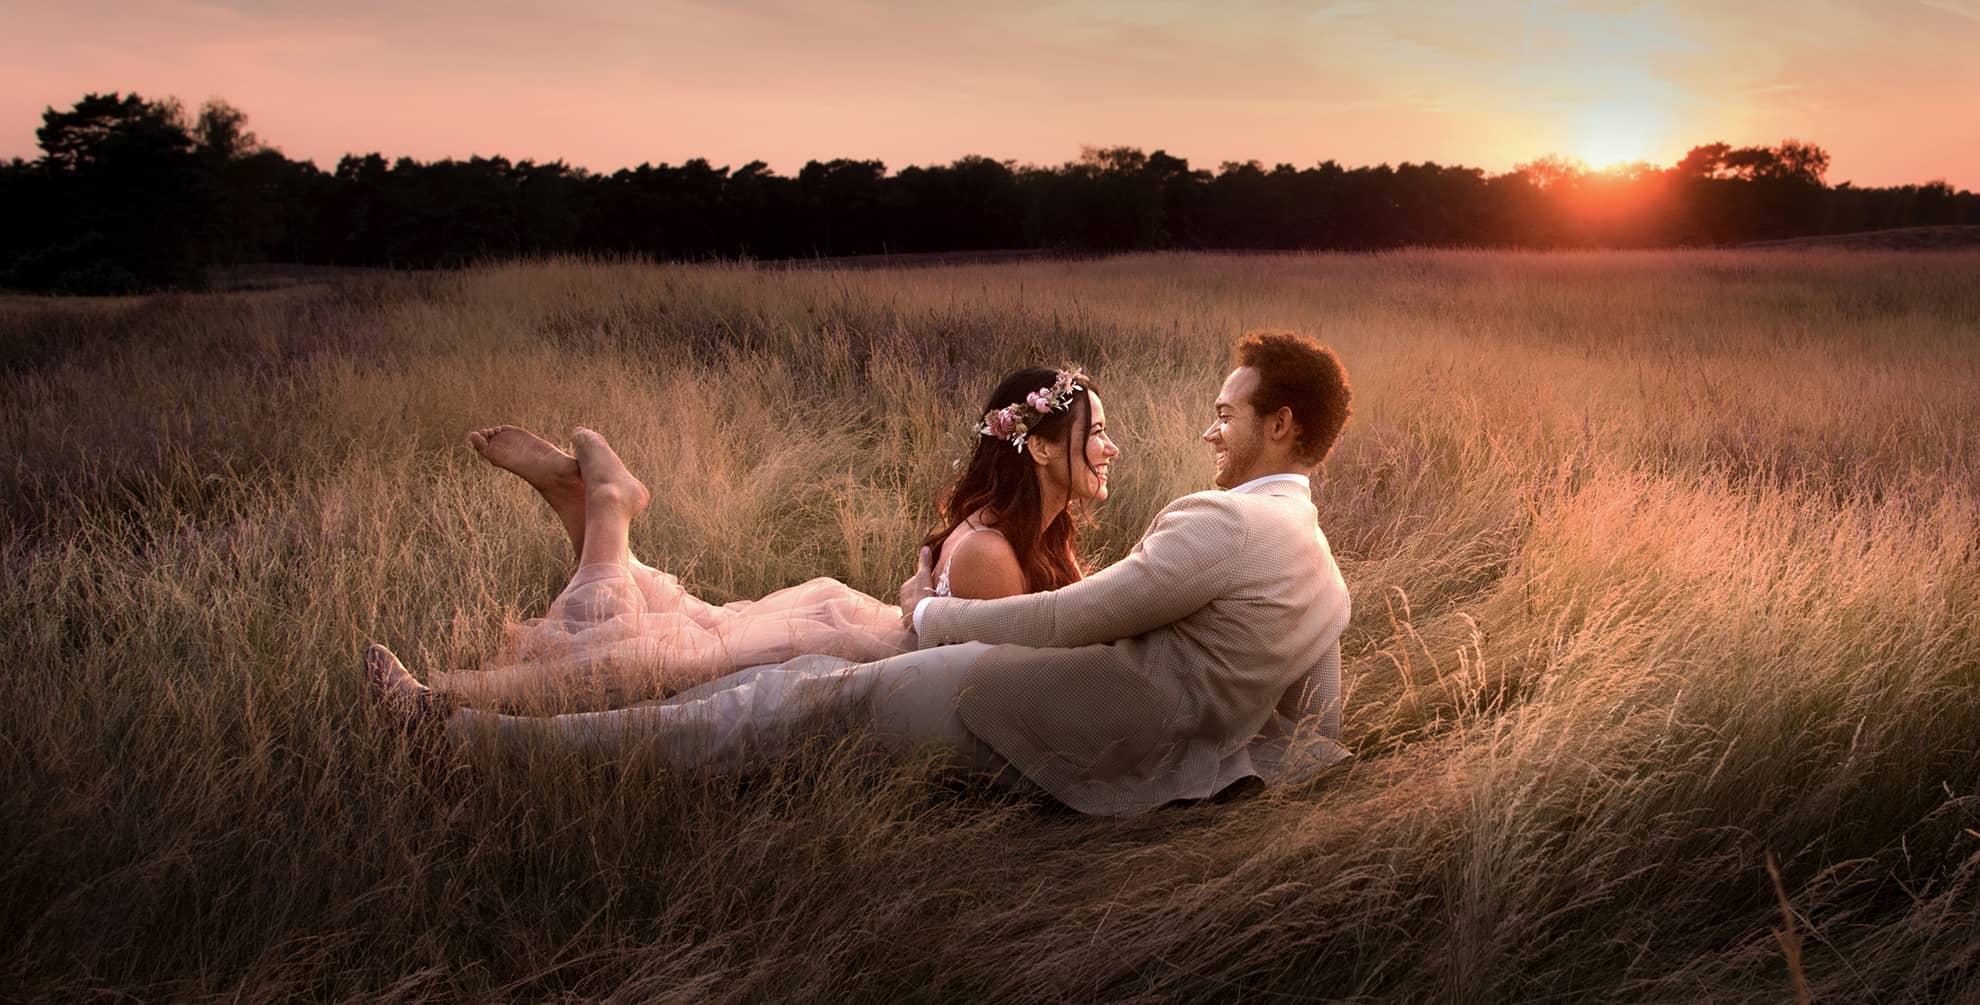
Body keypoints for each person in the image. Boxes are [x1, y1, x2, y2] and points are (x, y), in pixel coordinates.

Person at [367, 330, 1352, 817]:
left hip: (1058, 712)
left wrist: (929, 620)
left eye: (1229, 413)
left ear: (1282, 426)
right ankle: (480, 718)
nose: (1207, 428)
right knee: (766, 687)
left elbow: (1074, 622)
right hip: (1095, 723)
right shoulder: (1318, 567)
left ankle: (472, 738)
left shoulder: (1220, 523)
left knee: (780, 701)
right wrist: (1252, 766)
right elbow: (1319, 725)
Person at [419, 367, 1120, 713]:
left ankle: (594, 512)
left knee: (676, 632)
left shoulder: (1027, 532)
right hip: (832, 646)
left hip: (850, 623)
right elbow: (990, 689)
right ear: (1041, 449)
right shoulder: (993, 553)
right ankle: (447, 694)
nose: (1111, 448)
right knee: (652, 668)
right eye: (1098, 432)